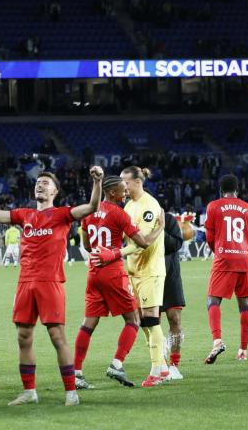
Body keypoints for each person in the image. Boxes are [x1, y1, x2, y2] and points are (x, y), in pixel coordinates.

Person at [0, 167, 103, 406]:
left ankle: (71, 393)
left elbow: (92, 207)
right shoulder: (24, 215)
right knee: (23, 336)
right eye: (38, 182)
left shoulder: (62, 215)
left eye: (46, 183)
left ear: (55, 191)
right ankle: (29, 391)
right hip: (26, 282)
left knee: (57, 336)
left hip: (50, 282)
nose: (40, 185)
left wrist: (97, 182)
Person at [73, 176, 164, 389]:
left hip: (94, 272)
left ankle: (76, 373)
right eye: (123, 190)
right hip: (113, 272)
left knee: (89, 323)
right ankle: (117, 363)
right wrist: (160, 227)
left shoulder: (88, 211)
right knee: (133, 320)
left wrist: (99, 251)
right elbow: (142, 243)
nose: (125, 194)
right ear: (112, 192)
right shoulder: (119, 214)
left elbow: (86, 244)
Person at [204, 174, 248, 364]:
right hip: (244, 260)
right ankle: (243, 351)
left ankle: (217, 341)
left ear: (221, 190)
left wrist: (219, 251)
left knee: (212, 300)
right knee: (244, 304)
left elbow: (209, 237)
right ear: (238, 189)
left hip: (223, 258)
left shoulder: (213, 206)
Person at [118, 166, 168, 387]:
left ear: (137, 182)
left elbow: (142, 242)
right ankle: (163, 366)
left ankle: (156, 369)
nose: (123, 186)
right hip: (134, 271)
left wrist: (115, 254)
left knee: (151, 319)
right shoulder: (129, 205)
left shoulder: (149, 205)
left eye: (125, 182)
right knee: (143, 321)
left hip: (150, 270)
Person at [159, 211, 186, 379]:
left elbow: (176, 244)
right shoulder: (135, 220)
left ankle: (174, 365)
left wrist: (160, 229)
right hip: (148, 278)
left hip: (170, 277)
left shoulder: (168, 219)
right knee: (154, 324)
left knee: (174, 319)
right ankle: (159, 364)